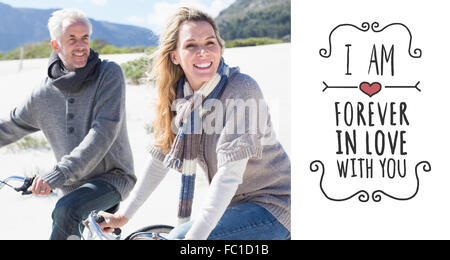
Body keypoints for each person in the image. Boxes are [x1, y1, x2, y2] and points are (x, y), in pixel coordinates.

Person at [99, 7, 290, 240]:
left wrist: (194, 237)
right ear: (175, 56)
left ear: (220, 48)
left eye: (210, 43)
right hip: (234, 208)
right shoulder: (182, 98)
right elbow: (161, 157)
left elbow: (229, 175)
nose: (203, 52)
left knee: (179, 236)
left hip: (275, 206)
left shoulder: (241, 89)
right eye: (190, 45)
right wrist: (123, 216)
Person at [0, 8, 136, 240]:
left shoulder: (108, 74)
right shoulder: (43, 94)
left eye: (85, 38)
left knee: (66, 209)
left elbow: (102, 133)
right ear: (56, 45)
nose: (81, 45)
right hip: (72, 187)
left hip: (113, 179)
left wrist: (57, 174)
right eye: (71, 39)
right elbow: (10, 126)